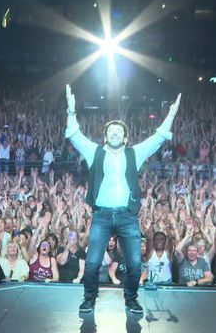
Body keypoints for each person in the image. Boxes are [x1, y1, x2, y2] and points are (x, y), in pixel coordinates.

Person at [66, 84, 181, 314]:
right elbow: (75, 135)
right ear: (106, 136)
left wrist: (171, 114)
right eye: (112, 131)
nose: (116, 133)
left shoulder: (134, 153)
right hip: (102, 215)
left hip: (127, 216)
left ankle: (131, 299)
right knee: (91, 263)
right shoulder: (95, 152)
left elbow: (158, 138)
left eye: (120, 131)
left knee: (136, 264)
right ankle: (89, 298)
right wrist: (70, 112)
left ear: (126, 138)